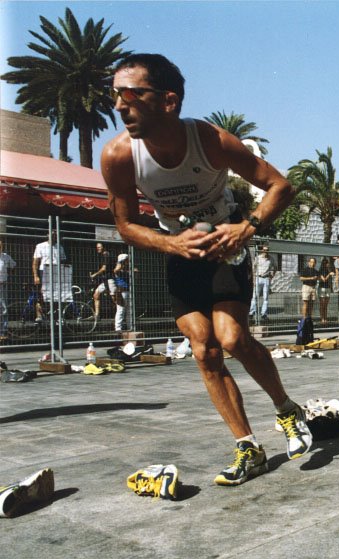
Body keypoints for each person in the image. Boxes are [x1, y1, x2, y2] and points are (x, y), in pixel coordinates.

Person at [101, 53, 312, 486]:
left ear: (168, 101)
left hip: (225, 247)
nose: (120, 106)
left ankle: (287, 409)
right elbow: (125, 225)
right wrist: (171, 243)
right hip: (179, 250)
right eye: (115, 95)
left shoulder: (211, 140)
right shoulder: (119, 155)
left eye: (131, 95)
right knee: (204, 349)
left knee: (232, 338)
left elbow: (281, 186)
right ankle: (248, 447)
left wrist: (245, 228)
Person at [32, 230, 68, 322]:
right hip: (44, 271)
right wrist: (36, 276)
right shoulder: (40, 246)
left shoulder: (60, 247)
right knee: (41, 294)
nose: (53, 236)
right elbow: (35, 263)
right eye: (51, 234)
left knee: (56, 295)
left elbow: (63, 262)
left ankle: (56, 317)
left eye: (55, 235)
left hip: (56, 272)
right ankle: (39, 316)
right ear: (47, 235)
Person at [248, 245, 275, 321]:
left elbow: (275, 267)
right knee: (255, 296)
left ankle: (264, 314)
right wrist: (253, 279)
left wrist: (272, 276)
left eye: (267, 250)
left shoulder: (271, 259)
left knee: (265, 297)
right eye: (264, 250)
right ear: (262, 250)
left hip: (266, 278)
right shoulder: (258, 258)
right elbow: (253, 268)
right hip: (258, 278)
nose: (265, 252)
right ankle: (251, 313)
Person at [90, 242, 115, 322]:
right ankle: (97, 315)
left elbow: (104, 268)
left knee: (114, 298)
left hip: (110, 280)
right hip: (105, 280)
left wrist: (95, 274)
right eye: (97, 247)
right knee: (96, 294)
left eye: (99, 247)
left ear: (104, 247)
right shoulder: (103, 256)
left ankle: (122, 311)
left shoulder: (106, 255)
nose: (97, 248)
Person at [0, 239, 16, 339]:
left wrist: (7, 276)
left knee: (3, 308)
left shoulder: (6, 257)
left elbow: (13, 266)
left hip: (2, 285)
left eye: (0, 246)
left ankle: (3, 331)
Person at [113, 253, 130, 331]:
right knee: (121, 309)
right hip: (121, 291)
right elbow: (116, 270)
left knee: (129, 310)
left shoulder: (127, 268)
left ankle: (130, 326)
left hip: (128, 290)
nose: (128, 261)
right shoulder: (119, 267)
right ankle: (118, 327)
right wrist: (120, 265)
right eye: (127, 260)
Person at [317, 257, 334, 324]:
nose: (328, 265)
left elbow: (330, 280)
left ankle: (325, 318)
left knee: (326, 305)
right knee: (322, 304)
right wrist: (329, 274)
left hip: (328, 288)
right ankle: (322, 318)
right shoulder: (321, 270)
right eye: (327, 263)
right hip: (322, 288)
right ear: (325, 264)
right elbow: (323, 279)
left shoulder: (328, 270)